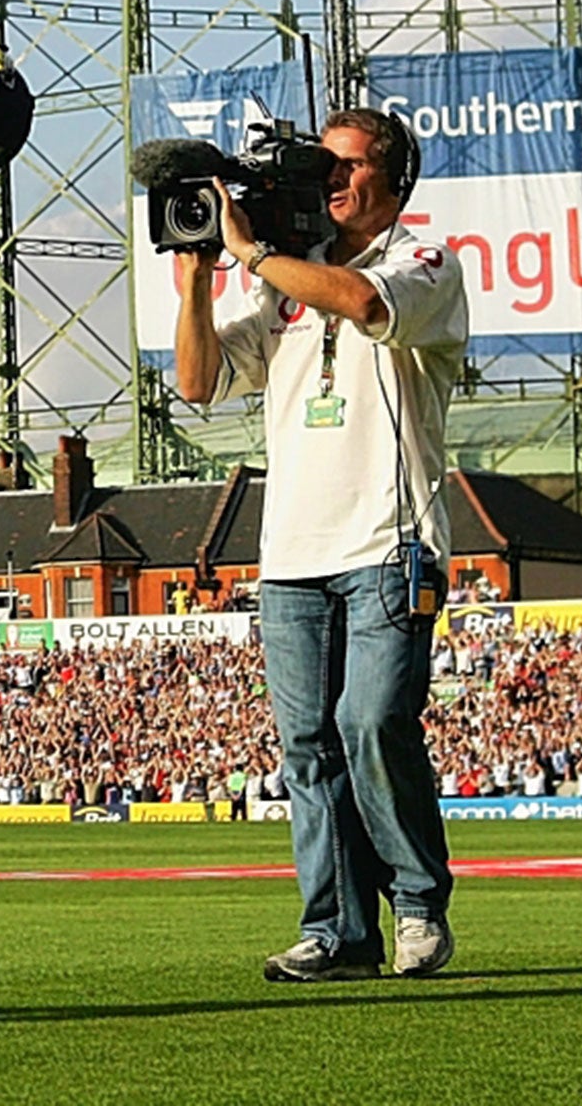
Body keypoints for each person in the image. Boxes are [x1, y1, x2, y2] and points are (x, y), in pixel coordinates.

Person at [174, 107, 467, 982]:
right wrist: (199, 277)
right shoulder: (278, 292)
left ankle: (418, 905)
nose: (332, 182)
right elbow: (197, 382)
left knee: (370, 722)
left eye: (347, 166)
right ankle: (340, 931)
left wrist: (259, 255)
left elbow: (370, 305)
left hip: (391, 539)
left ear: (392, 178)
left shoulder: (425, 261)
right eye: (322, 169)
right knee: (308, 746)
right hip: (295, 552)